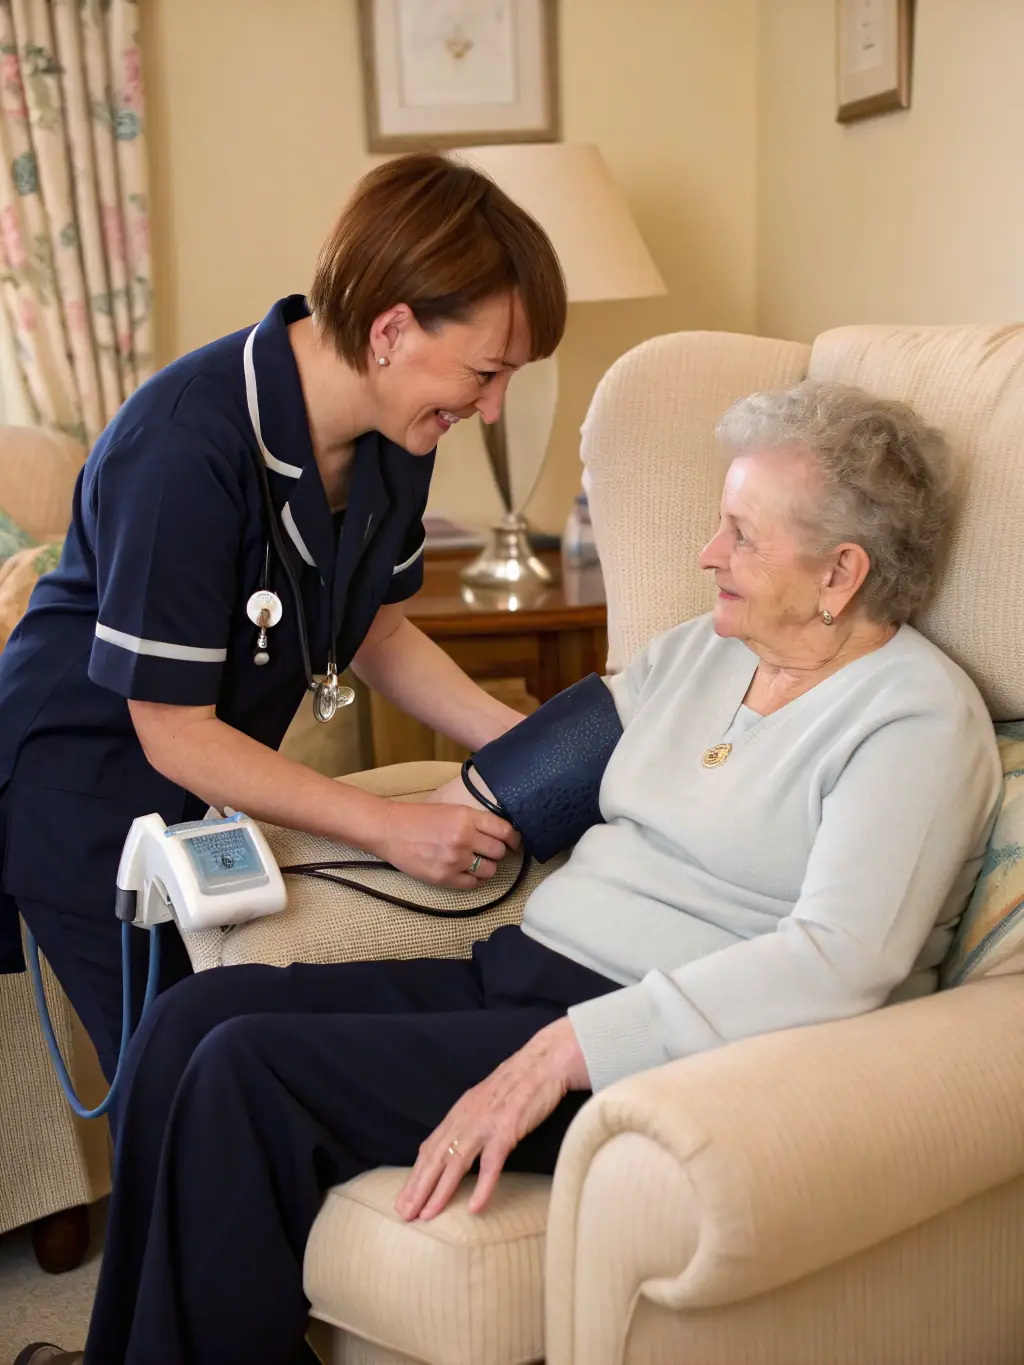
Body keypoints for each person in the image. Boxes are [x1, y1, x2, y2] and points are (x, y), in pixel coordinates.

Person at [18, 380, 1002, 1365]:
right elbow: (523, 774)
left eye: (741, 536)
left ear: (841, 571)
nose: (707, 555)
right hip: (520, 971)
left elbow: (841, 959)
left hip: (655, 1046)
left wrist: (573, 1048)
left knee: (245, 1071)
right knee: (186, 1022)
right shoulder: (702, 654)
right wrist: (382, 826)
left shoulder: (912, 718)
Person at [0, 152, 567, 1084]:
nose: (492, 406)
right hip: (85, 786)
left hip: (204, 788)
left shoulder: (399, 430)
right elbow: (171, 728)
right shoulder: (184, 443)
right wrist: (387, 829)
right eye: (485, 372)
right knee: (175, 1080)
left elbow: (376, 629)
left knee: (230, 1051)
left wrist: (526, 741)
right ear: (391, 329)